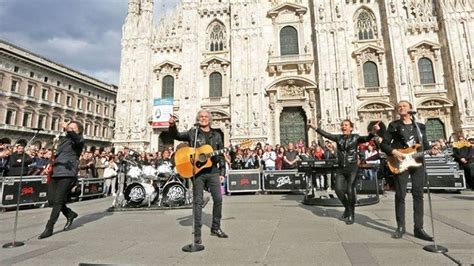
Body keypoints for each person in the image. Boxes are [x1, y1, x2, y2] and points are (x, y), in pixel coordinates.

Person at [379, 100, 439, 241]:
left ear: (411, 109)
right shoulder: (394, 125)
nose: (401, 108)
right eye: (399, 106)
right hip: (400, 162)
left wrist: (432, 150)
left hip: (417, 163)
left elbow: (424, 145)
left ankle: (419, 228)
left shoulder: (420, 127)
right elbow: (384, 145)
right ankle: (401, 227)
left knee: (418, 194)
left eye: (404, 106)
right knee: (400, 195)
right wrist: (394, 152)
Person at [168, 110, 228, 245]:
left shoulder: (217, 135)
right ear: (198, 119)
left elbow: (221, 156)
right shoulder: (193, 133)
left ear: (210, 119)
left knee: (218, 199)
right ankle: (197, 234)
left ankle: (216, 227)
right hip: (197, 172)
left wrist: (222, 173)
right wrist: (172, 125)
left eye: (206, 117)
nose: (204, 119)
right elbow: (177, 135)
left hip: (213, 171)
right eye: (201, 117)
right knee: (197, 202)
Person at [308, 119, 377, 225]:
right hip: (341, 168)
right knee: (338, 190)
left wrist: (373, 131)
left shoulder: (356, 137)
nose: (343, 127)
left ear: (351, 128)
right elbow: (326, 134)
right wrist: (314, 127)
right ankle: (347, 208)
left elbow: (366, 138)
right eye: (342, 125)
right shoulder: (338, 138)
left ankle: (351, 214)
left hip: (352, 167)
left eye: (346, 125)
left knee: (350, 190)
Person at [39, 121, 84, 239]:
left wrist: (69, 129)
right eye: (70, 127)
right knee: (51, 200)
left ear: (78, 131)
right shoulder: (63, 140)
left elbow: (76, 138)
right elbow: (56, 155)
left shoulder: (78, 141)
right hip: (56, 172)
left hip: (67, 174)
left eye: (73, 128)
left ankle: (49, 227)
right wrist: (49, 165)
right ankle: (69, 213)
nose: (70, 129)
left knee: (58, 200)